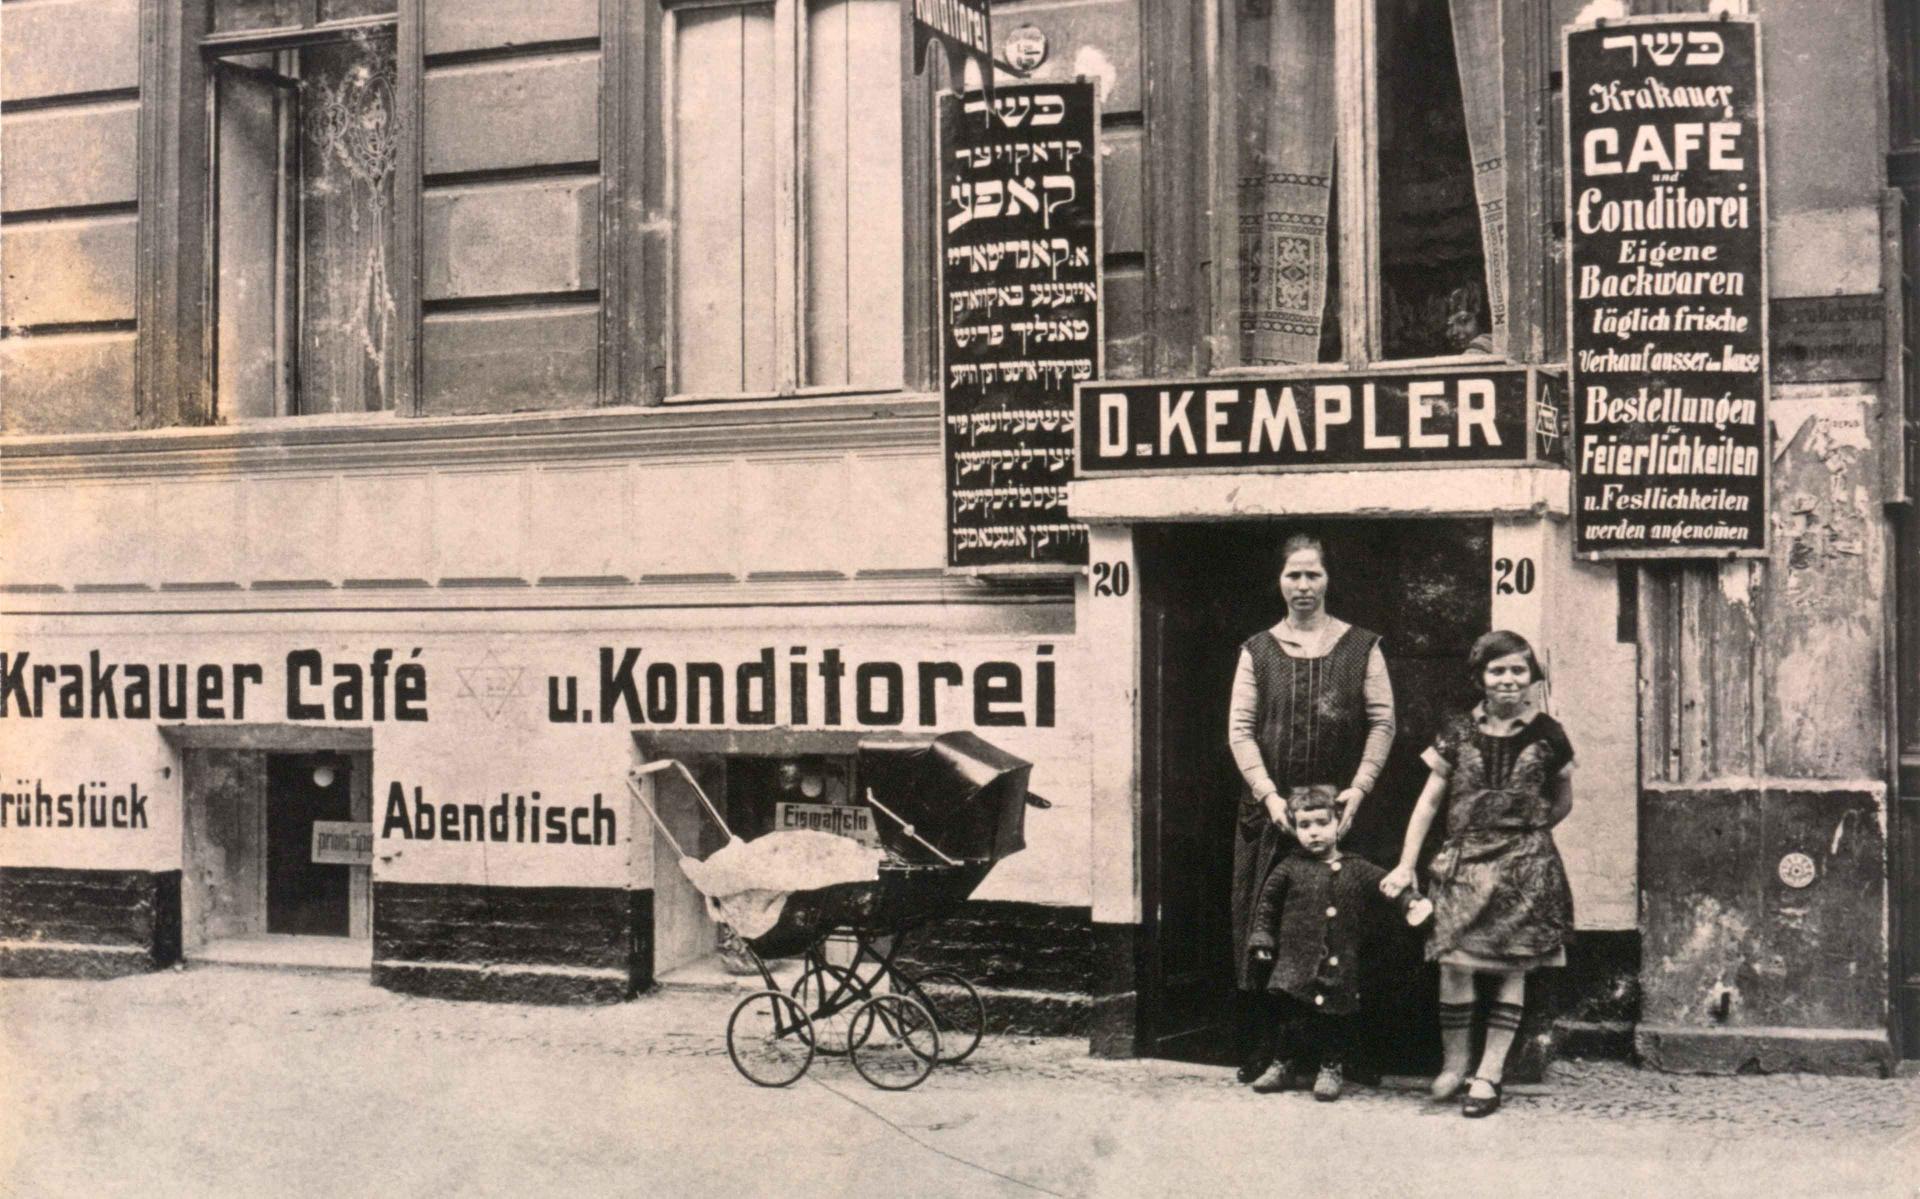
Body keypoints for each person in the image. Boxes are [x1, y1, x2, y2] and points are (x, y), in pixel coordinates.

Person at [1380, 629, 1576, 1118]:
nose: (1508, 680)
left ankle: (1488, 1074)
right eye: (1497, 670)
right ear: (1480, 678)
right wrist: (1407, 863)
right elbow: (1428, 802)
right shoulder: (1456, 731)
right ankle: (1454, 1064)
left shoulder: (1550, 734)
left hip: (1523, 870)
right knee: (1454, 961)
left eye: (1518, 670)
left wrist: (1525, 838)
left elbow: (1563, 801)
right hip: (1464, 863)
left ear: (1532, 677)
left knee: (1512, 966)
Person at [1226, 532, 1396, 1084]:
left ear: (1328, 579)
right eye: (1293, 575)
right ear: (1279, 581)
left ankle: (1342, 1056)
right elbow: (1241, 731)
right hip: (1273, 818)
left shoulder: (1362, 646)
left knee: (1341, 930)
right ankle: (1271, 1052)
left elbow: (1382, 723)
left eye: (1313, 574)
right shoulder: (1257, 650)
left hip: (1340, 813)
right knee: (1268, 929)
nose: (1303, 585)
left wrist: (1360, 788)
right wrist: (1269, 794)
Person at [1246, 788, 1432, 1101]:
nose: (1314, 832)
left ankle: (1331, 1067)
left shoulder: (1358, 868)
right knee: (1292, 1015)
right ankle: (1283, 1063)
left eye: (1322, 822)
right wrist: (1262, 937)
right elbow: (1266, 905)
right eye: (1305, 826)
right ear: (1294, 828)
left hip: (1339, 961)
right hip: (1295, 960)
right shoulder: (1289, 867)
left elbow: (1388, 886)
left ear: (1339, 824)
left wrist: (1409, 902)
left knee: (1335, 1018)